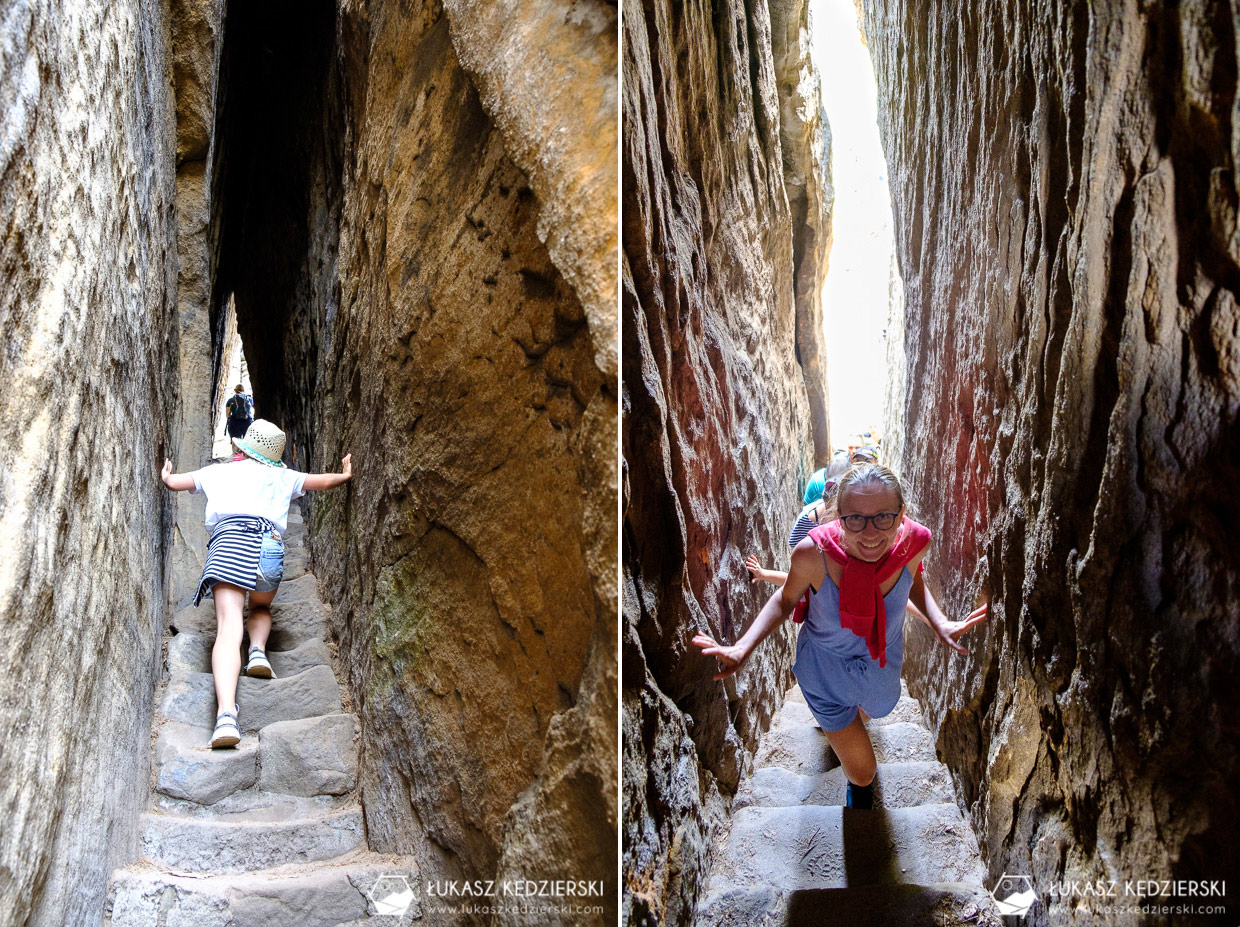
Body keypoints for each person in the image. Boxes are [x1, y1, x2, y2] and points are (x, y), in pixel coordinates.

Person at [696, 464, 987, 809]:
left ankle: (848, 726)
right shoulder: (812, 555)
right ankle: (854, 781)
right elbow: (786, 598)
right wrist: (744, 647)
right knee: (864, 773)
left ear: (901, 515)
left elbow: (914, 581)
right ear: (838, 516)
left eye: (883, 517)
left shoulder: (913, 544)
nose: (869, 533)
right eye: (855, 519)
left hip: (881, 664)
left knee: (872, 709)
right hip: (824, 670)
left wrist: (939, 622)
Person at [161, 419, 352, 748]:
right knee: (261, 605)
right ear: (274, 455)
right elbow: (321, 482)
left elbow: (176, 483)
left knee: (228, 627)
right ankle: (259, 653)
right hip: (267, 545)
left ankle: (225, 717)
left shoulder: (217, 471)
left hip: (228, 544)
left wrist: (166, 474)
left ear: (244, 447)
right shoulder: (282, 475)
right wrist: (345, 474)